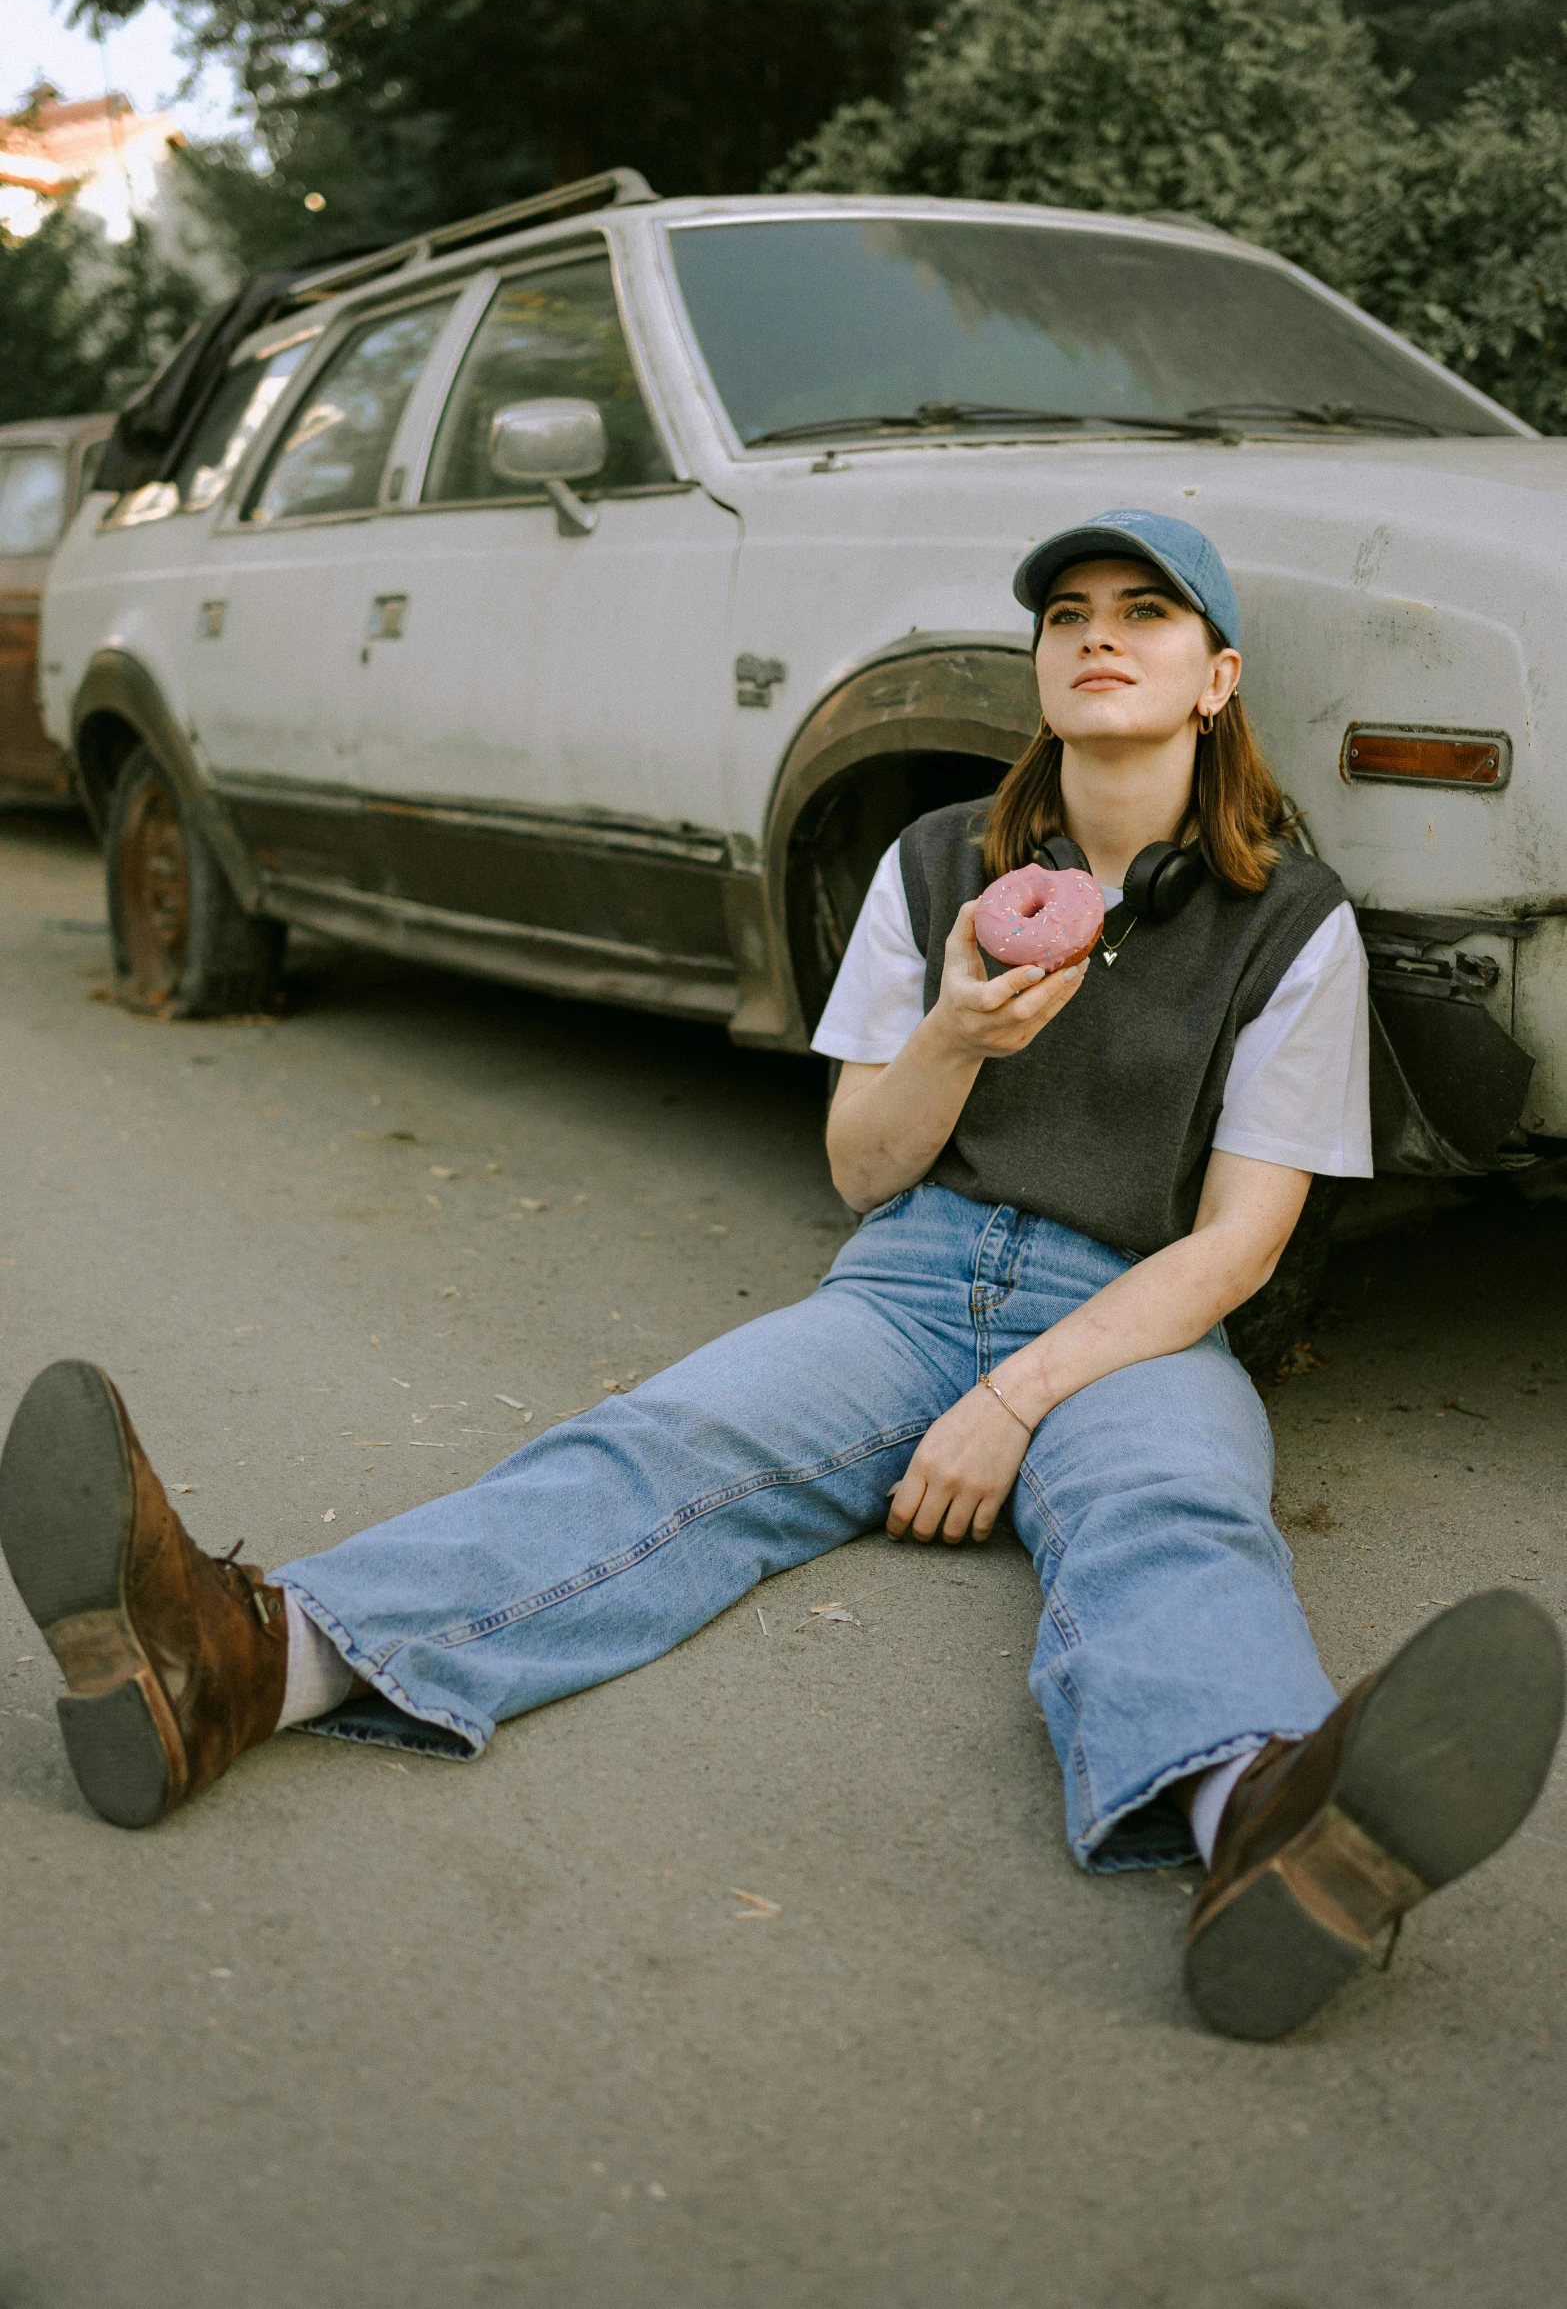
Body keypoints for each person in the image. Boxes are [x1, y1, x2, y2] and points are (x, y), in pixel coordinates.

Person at [2, 510, 1560, 2043]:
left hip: (1134, 1320)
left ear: (1216, 678)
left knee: (1172, 1513)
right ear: (1036, 665)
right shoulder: (934, 864)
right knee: (662, 1447)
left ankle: (1262, 1821)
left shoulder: (1292, 922)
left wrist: (1013, 1401)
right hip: (908, 1277)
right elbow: (862, 1169)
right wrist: (954, 1028)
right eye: (1067, 611)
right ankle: (240, 1660)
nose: (1097, 633)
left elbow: (1240, 1241)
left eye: (1145, 612)